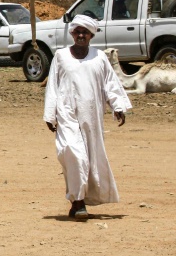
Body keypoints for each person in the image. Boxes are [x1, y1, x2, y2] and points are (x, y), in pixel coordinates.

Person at [43, 14, 132, 220]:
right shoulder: (61, 56)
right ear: (72, 33)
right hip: (66, 114)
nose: (81, 35)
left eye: (85, 32)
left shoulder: (99, 57)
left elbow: (110, 83)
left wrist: (117, 106)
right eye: (77, 31)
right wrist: (50, 114)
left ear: (91, 35)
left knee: (90, 158)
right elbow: (53, 86)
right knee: (74, 154)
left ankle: (78, 202)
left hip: (91, 115)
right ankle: (78, 201)